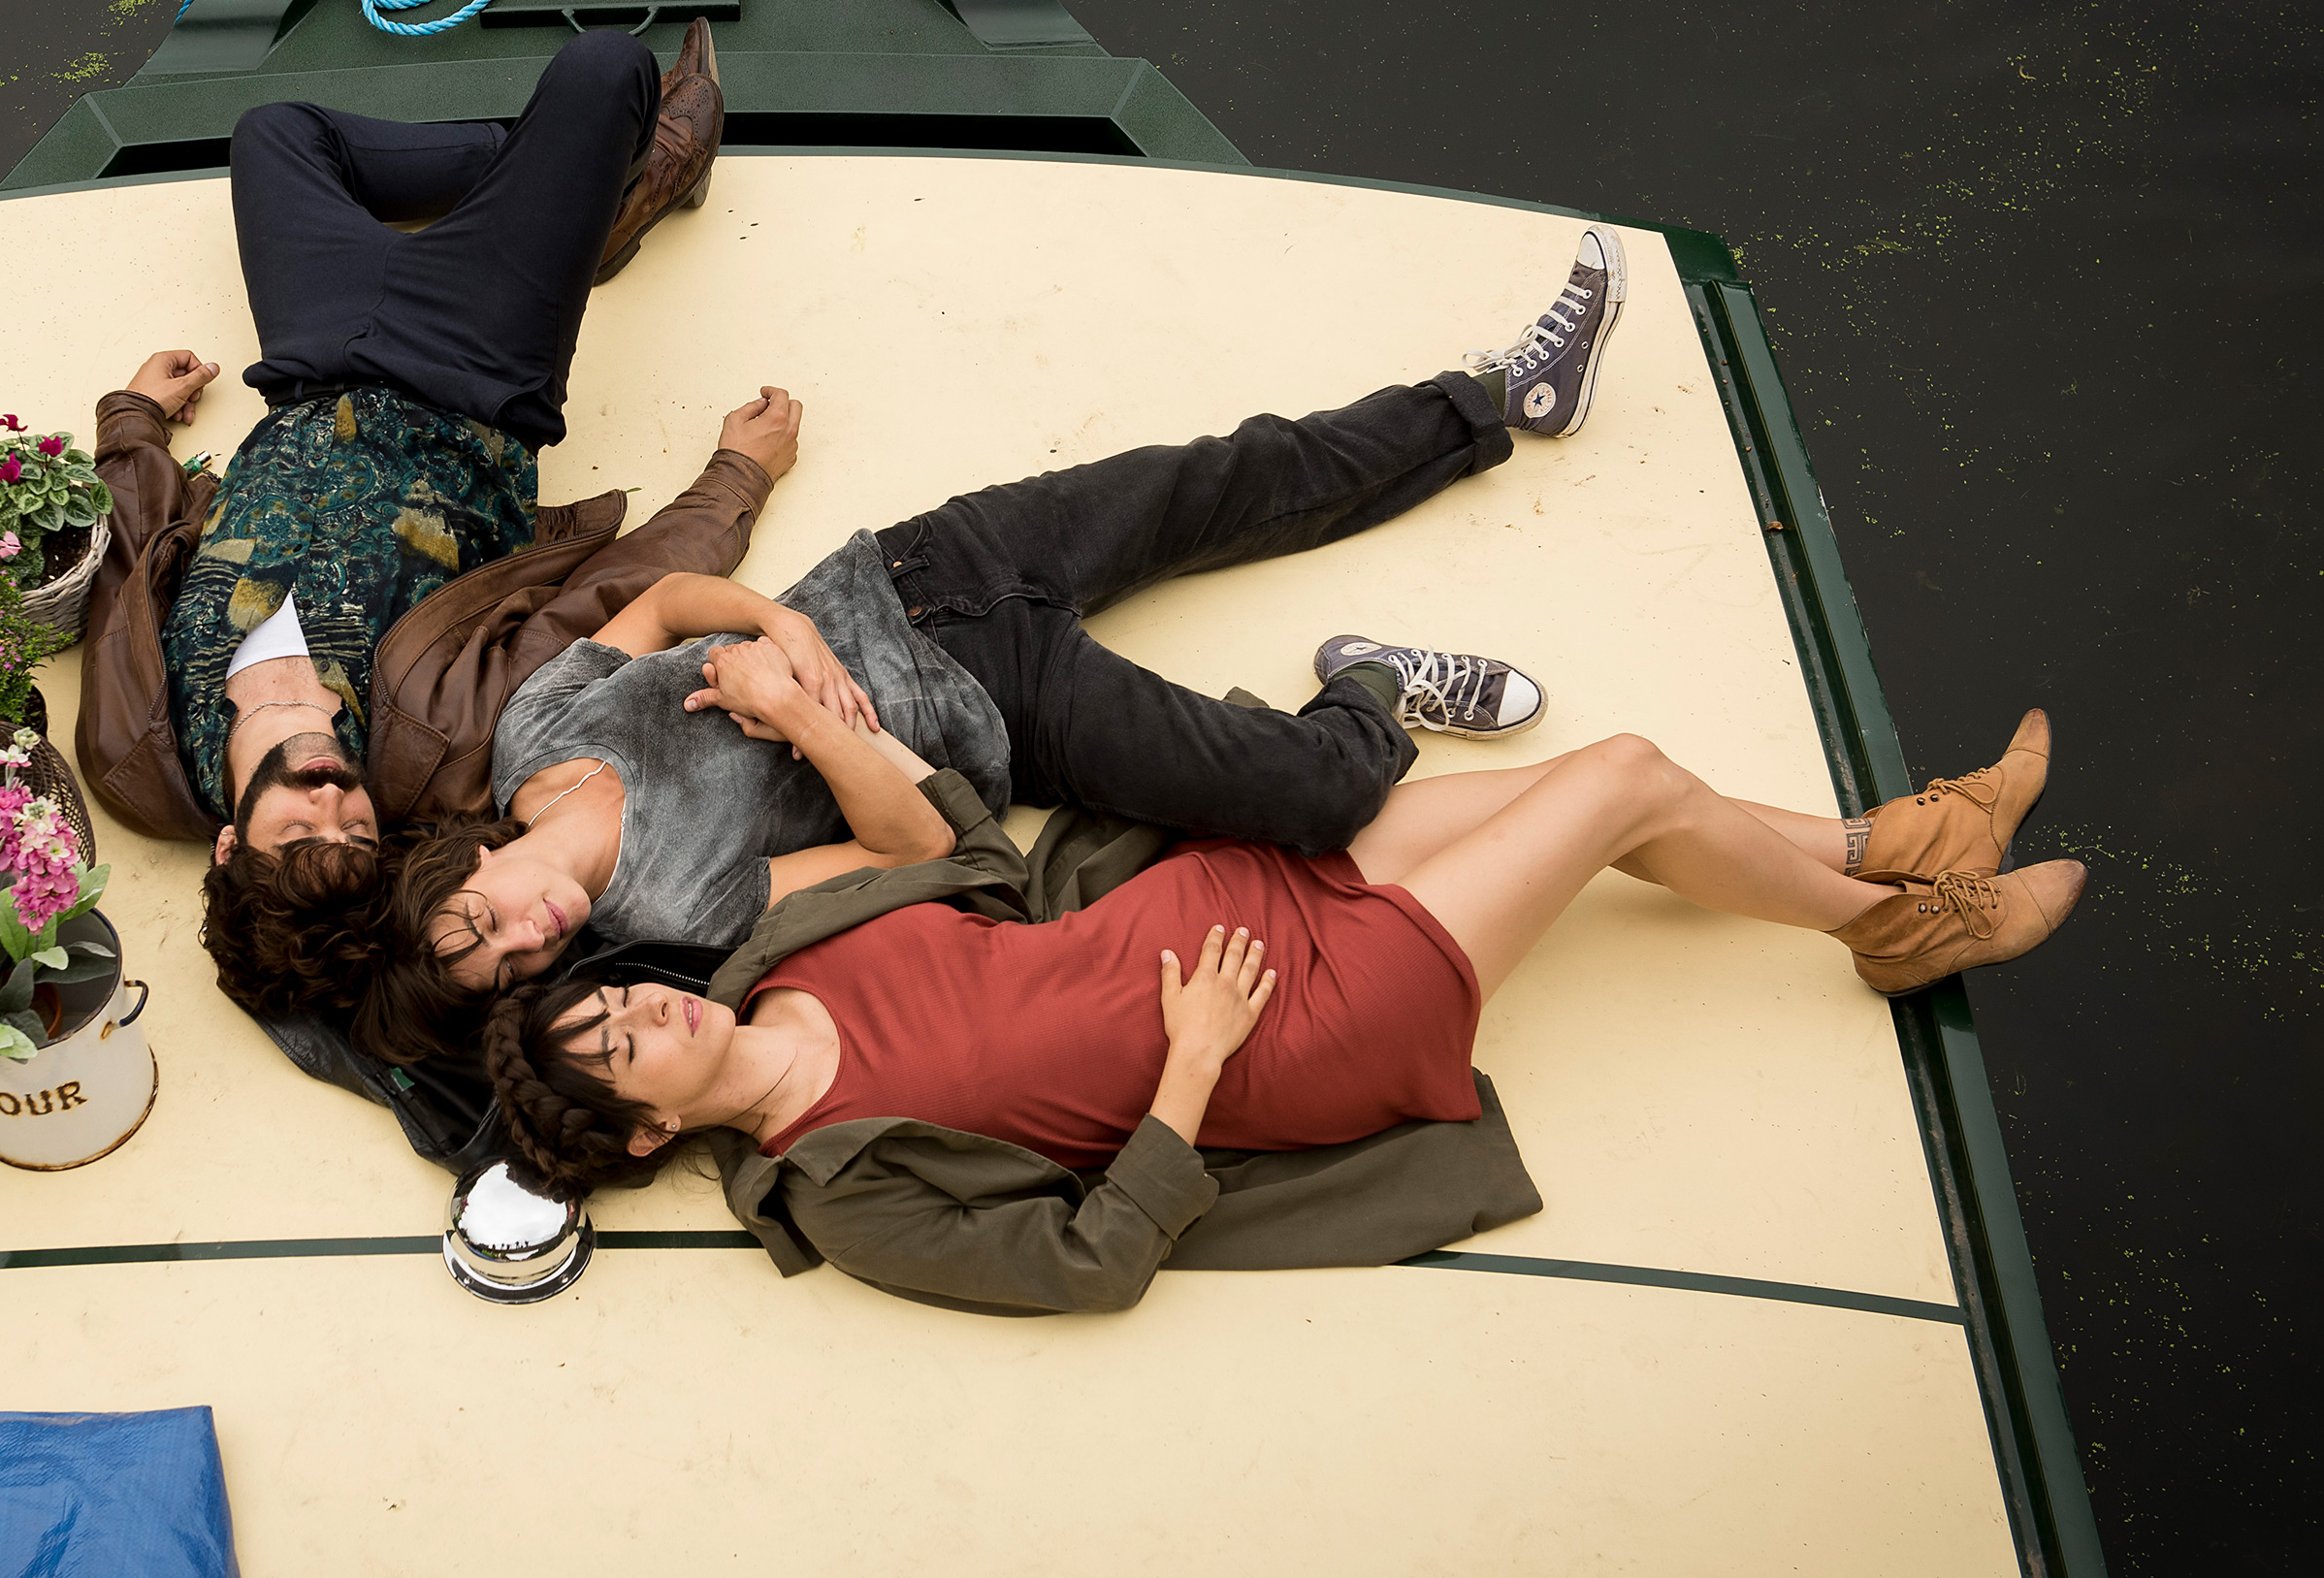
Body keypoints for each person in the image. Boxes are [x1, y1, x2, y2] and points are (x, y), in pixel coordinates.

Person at [338, 232, 1638, 1062]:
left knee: (1235, 474)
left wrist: (779, 624)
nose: (527, 931)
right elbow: (914, 848)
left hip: (926, 565)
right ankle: (1376, 684)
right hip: (1003, 710)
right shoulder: (677, 915)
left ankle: (1498, 398)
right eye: (513, 965)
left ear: (463, 868)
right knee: (1318, 793)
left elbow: (672, 605)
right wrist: (802, 722)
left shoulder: (536, 737)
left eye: (481, 922)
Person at [479, 711, 2079, 1316]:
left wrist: (846, 734)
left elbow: (973, 873)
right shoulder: (841, 1190)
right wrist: (1186, 1067)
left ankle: (1911, 839)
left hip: (1242, 890)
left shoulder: (774, 959)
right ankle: (1903, 928)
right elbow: (1084, 1262)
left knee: (1620, 792)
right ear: (647, 1129)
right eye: (616, 1049)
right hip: (1291, 1031)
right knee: (1620, 781)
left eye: (612, 999)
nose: (639, 1013)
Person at [74, 18, 776, 858]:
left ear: (230, 846)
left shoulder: (136, 746)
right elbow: (603, 602)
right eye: (356, 832)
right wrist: (736, 478)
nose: (330, 799)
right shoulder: (439, 753)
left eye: (299, 830)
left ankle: (585, 200)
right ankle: (602, 189)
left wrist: (132, 415)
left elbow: (124, 563)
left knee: (275, 132)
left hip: (309, 363)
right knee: (606, 68)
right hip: (476, 369)